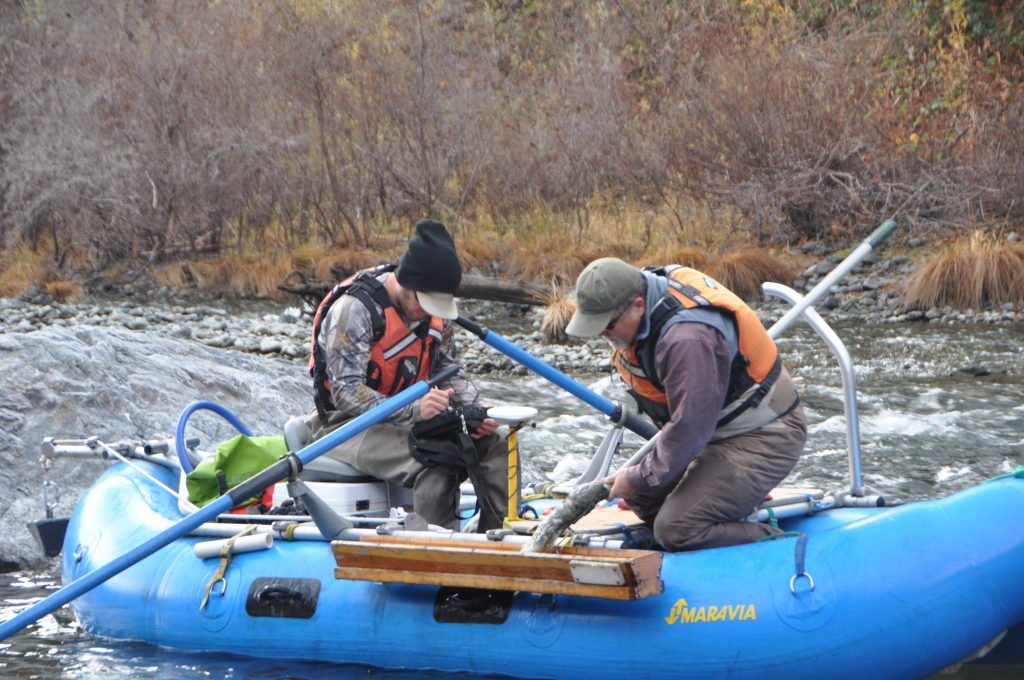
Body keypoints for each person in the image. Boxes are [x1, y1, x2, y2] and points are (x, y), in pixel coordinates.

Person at [565, 257, 807, 551]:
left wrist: (638, 475)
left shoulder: (687, 340)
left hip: (763, 434)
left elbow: (690, 429)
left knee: (675, 528)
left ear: (638, 305)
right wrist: (639, 481)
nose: (603, 333)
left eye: (608, 324)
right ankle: (717, 513)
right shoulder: (640, 299)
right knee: (640, 494)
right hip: (713, 432)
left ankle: (775, 543)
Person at [302, 219, 507, 531]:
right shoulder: (354, 310)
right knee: (435, 458)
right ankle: (430, 558)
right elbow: (346, 392)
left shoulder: (435, 314)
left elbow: (449, 371)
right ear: (407, 285)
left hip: (407, 421)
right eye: (424, 303)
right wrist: (412, 410)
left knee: (495, 440)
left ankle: (497, 539)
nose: (429, 312)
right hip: (347, 427)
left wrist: (479, 410)